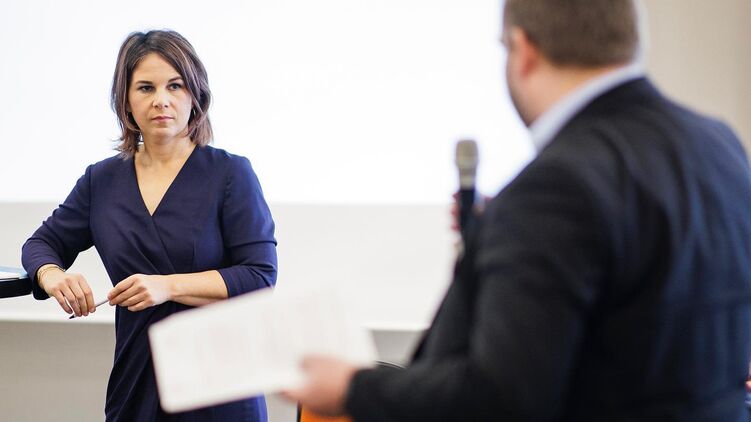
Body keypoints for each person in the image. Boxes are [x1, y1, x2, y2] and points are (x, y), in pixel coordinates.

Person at [286, 0, 751, 420]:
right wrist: (506, 232)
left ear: (522, 49)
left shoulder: (553, 189)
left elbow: (499, 399)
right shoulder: (718, 145)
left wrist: (351, 388)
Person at [21, 30, 277, 421]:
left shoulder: (230, 173)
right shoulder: (101, 180)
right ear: (125, 99)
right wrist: (52, 275)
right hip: (136, 379)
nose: (161, 100)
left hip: (219, 383)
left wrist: (166, 286)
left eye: (175, 86)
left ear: (195, 95)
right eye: (145, 87)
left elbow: (259, 276)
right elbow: (42, 243)